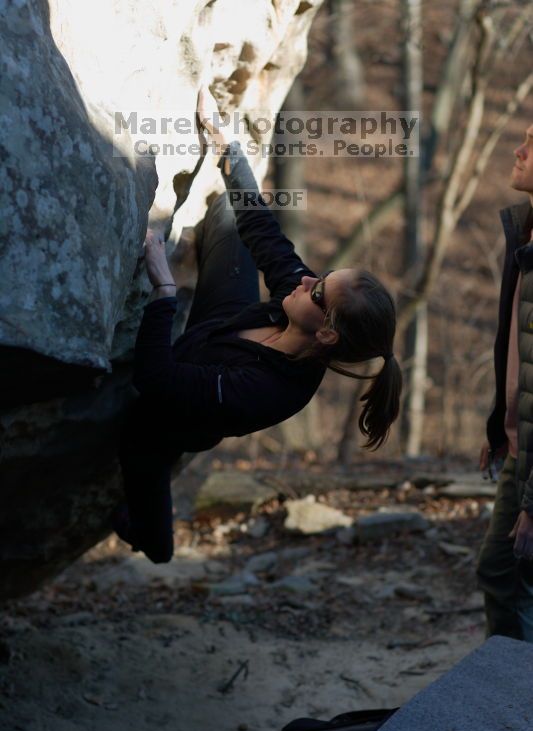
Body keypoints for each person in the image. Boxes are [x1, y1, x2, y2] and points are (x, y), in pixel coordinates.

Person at [113, 87, 402, 564]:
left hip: (160, 423)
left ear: (326, 333)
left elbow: (155, 380)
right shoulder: (302, 304)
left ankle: (150, 529)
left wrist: (164, 293)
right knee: (229, 214)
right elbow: (262, 229)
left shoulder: (270, 391)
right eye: (322, 275)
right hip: (216, 329)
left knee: (156, 534)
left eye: (318, 289)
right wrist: (225, 143)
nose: (308, 278)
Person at [477, 122, 533, 640]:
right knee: (499, 573)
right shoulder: (526, 232)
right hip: (520, 450)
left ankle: (511, 709)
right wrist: (501, 426)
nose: (518, 151)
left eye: (532, 145)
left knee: (508, 577)